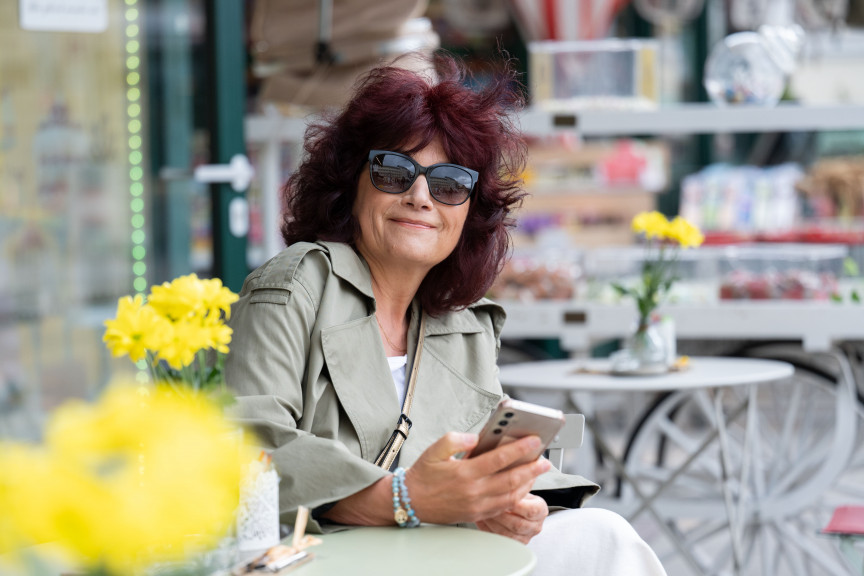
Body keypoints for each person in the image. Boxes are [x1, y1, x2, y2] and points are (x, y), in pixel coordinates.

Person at [226, 53, 667, 576]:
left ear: (469, 211)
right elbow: (250, 443)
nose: (420, 197)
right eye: (393, 172)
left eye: (449, 184)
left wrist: (511, 505)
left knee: (605, 538)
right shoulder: (298, 282)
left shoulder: (466, 322)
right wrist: (402, 499)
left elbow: (480, 467)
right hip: (329, 557)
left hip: (445, 548)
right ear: (350, 185)